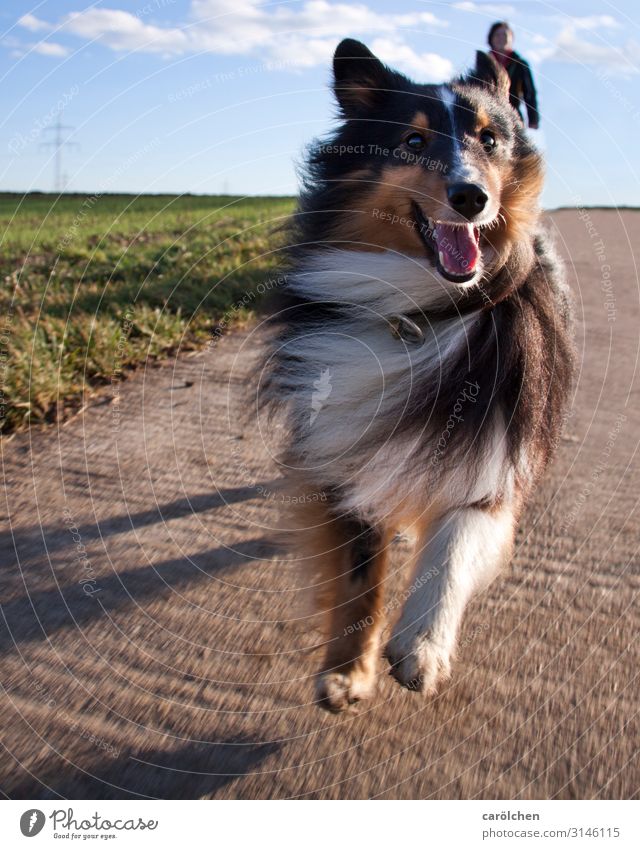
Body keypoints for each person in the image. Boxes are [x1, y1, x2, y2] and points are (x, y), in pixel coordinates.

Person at [488, 21, 539, 129]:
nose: (501, 38)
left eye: (505, 35)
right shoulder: (484, 63)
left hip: (513, 116)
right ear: (491, 39)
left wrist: (533, 119)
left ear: (512, 38)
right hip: (488, 115)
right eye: (497, 35)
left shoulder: (521, 64)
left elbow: (529, 93)